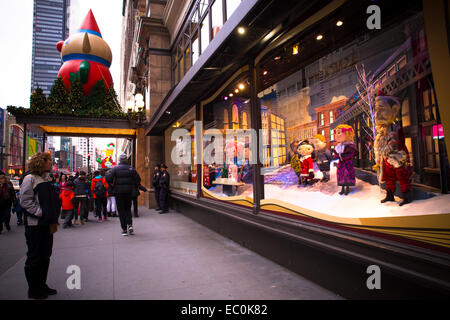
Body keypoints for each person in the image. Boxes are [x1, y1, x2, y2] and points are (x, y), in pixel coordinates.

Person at [20, 152, 59, 299]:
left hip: (47, 224)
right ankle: (34, 289)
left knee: (45, 255)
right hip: (35, 225)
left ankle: (42, 284)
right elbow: (25, 201)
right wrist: (41, 213)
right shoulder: (30, 179)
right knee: (35, 257)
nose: (51, 163)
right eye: (49, 160)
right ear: (41, 162)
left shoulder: (47, 178)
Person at [105, 154, 141, 236]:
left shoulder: (115, 169)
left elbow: (108, 178)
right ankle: (130, 225)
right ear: (126, 160)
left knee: (121, 211)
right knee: (128, 209)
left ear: (119, 160)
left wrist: (112, 185)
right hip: (129, 192)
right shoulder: (131, 168)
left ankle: (124, 229)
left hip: (118, 193)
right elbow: (138, 179)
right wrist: (132, 185)